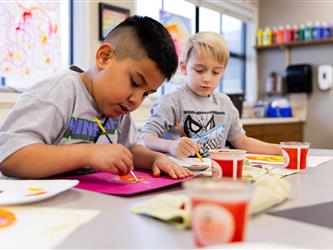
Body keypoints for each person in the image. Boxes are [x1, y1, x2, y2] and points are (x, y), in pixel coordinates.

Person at [0, 16, 193, 179]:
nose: (136, 100)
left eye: (146, 94)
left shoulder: (119, 107)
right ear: (105, 57)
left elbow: (130, 149)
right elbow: (9, 156)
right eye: (134, 82)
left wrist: (155, 158)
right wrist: (87, 153)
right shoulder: (59, 91)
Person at [140, 31, 282, 158]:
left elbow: (242, 142)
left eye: (215, 72)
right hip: (178, 175)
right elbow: (146, 138)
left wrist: (280, 150)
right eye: (199, 70)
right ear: (184, 68)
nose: (207, 78)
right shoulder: (172, 102)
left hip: (213, 176)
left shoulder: (225, 103)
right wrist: (170, 146)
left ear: (223, 71)